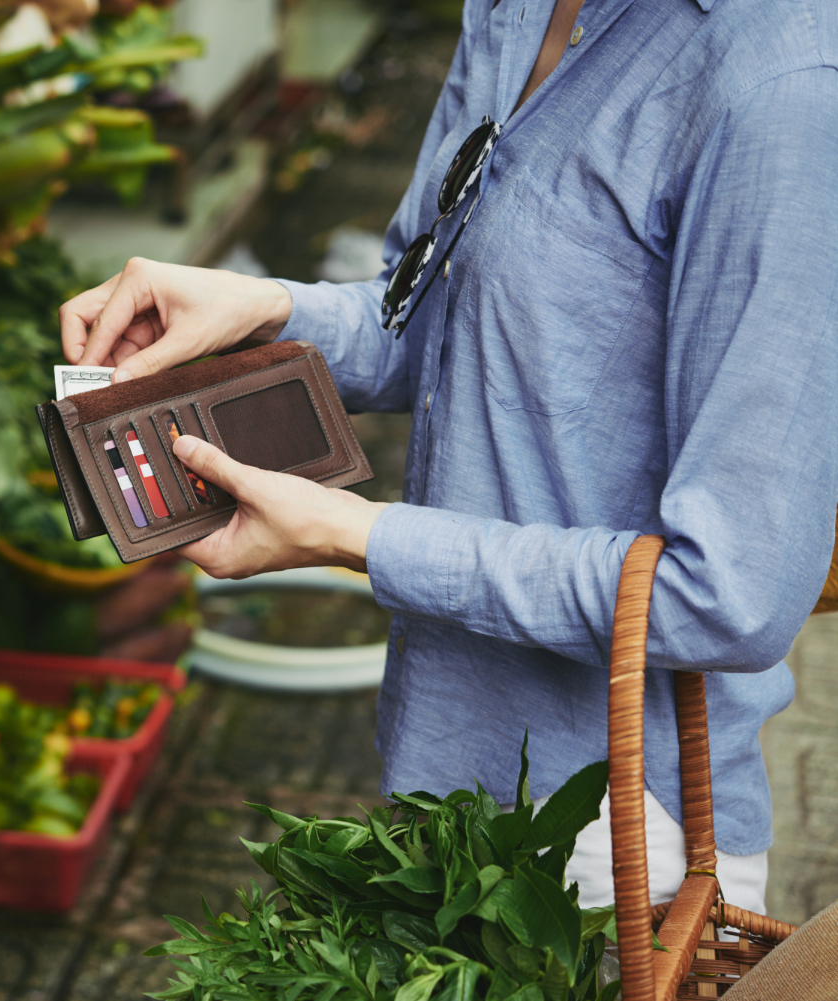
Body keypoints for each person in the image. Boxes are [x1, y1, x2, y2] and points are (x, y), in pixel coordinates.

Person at [58, 0, 838, 914]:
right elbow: (438, 326)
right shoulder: (515, 11)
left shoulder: (779, 86)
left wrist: (362, 538)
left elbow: (732, 598)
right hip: (438, 761)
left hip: (605, 842)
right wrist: (261, 307)